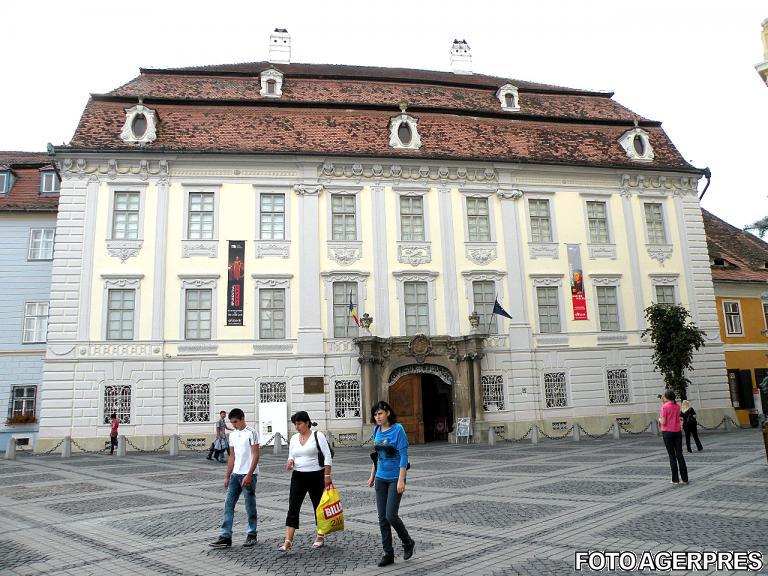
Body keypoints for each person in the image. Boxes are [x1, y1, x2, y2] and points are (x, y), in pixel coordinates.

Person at [367, 401, 415, 567]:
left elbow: (403, 456)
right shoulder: (376, 430)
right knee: (382, 519)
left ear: (387, 413)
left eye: (380, 413)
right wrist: (372, 476)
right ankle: (388, 553)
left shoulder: (398, 430)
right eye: (375, 414)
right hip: (381, 478)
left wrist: (401, 479)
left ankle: (407, 542)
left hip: (395, 478)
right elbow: (377, 456)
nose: (377, 417)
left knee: (391, 515)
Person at [279, 411, 334, 552]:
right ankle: (288, 541)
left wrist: (327, 476)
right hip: (298, 476)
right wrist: (290, 461)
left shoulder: (318, 435)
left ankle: (320, 536)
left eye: (299, 424)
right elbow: (291, 454)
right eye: (295, 424)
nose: (297, 427)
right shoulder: (293, 438)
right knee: (293, 507)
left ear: (307, 423)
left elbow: (327, 456)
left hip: (316, 475)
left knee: (318, 507)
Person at [209, 408, 260, 548]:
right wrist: (227, 476)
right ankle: (225, 535)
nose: (234, 425)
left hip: (248, 473)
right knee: (228, 504)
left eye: (236, 422)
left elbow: (256, 454)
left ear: (243, 419)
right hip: (235, 474)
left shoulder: (252, 433)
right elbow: (232, 456)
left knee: (250, 504)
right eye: (231, 423)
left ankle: (251, 534)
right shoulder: (232, 435)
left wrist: (250, 474)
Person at [658, 389, 688, 485]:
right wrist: (663, 402)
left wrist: (659, 419)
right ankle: (685, 479)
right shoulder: (677, 406)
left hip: (667, 432)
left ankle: (675, 479)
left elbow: (663, 422)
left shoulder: (664, 407)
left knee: (672, 456)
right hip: (677, 432)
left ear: (666, 397)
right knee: (680, 455)